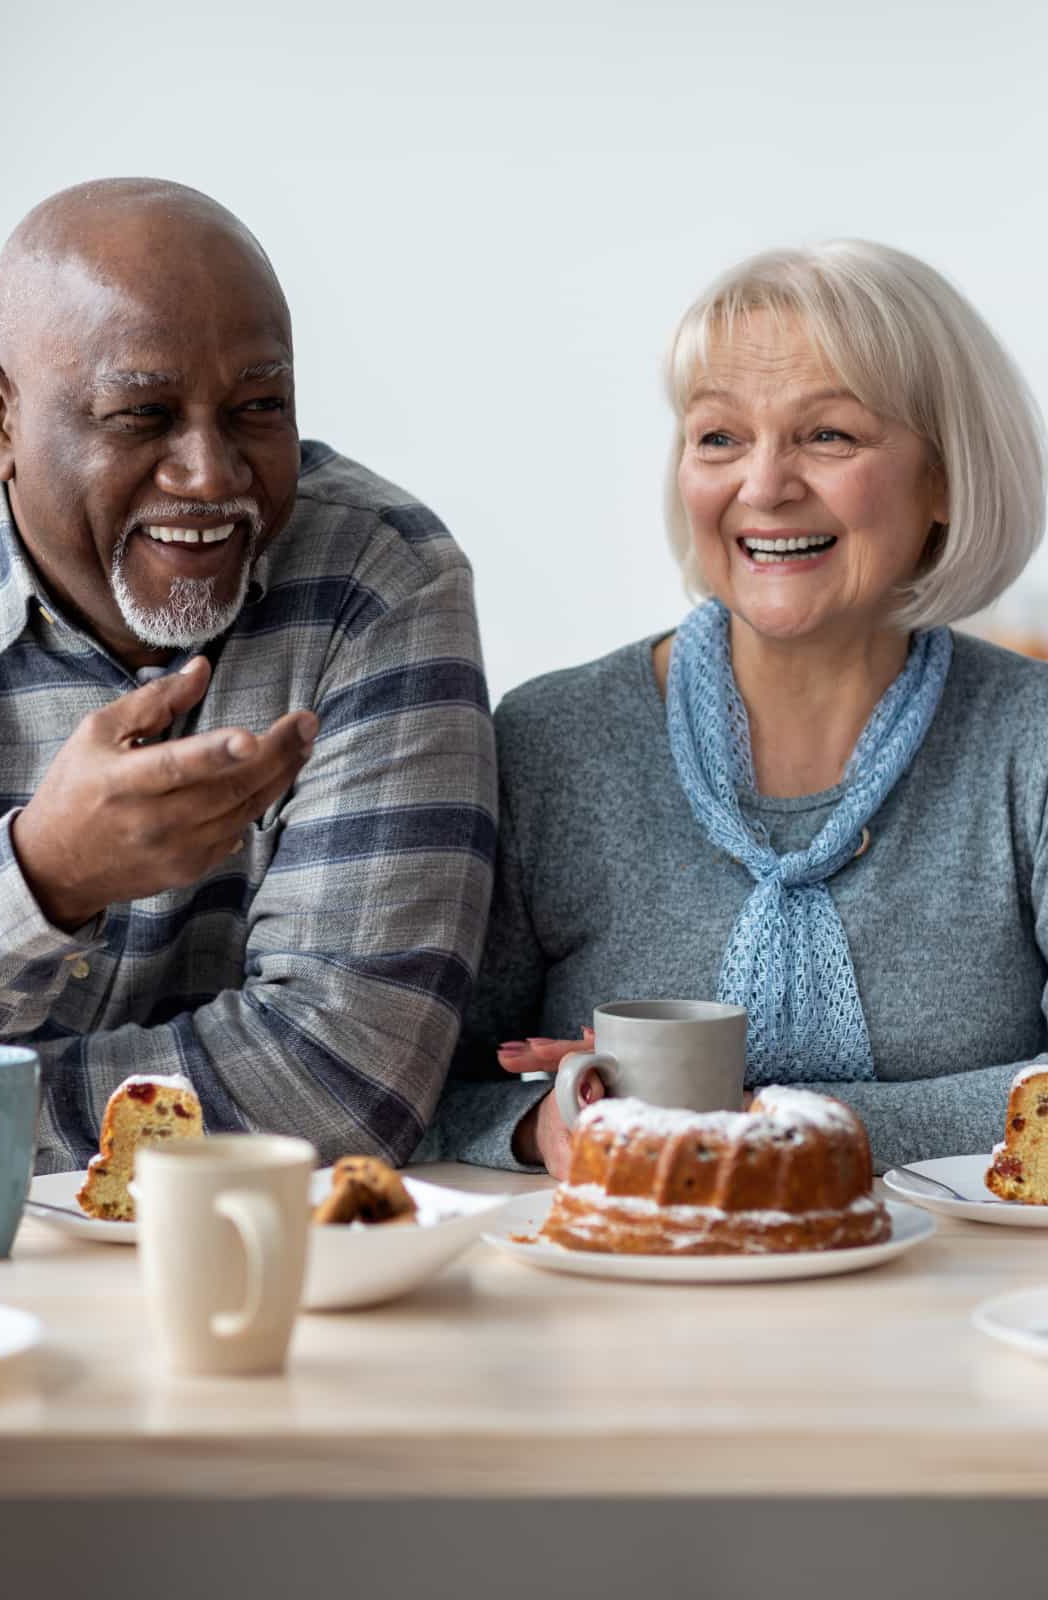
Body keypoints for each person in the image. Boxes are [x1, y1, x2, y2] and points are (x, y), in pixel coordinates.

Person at [0, 178, 495, 1174]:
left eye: (257, 408)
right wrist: (43, 875)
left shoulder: (379, 583)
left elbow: (345, 1079)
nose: (209, 473)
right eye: (141, 415)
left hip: (259, 1261)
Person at [420, 239, 1048, 1177]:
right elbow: (413, 1088)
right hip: (619, 1295)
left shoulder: (1028, 741)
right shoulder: (552, 742)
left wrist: (754, 1122)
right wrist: (534, 1128)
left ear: (948, 477)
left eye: (828, 434)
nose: (763, 487)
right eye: (720, 437)